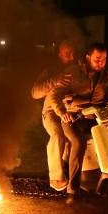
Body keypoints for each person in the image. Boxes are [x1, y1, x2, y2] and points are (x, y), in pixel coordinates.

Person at [49, 42, 108, 204]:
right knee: (78, 142)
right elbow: (55, 95)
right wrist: (63, 113)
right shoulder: (72, 73)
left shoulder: (106, 77)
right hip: (74, 118)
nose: (101, 63)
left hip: (96, 117)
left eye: (104, 59)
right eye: (97, 59)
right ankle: (72, 190)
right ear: (88, 58)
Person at [31, 40, 76, 191]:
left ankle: (68, 167)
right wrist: (54, 80)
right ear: (59, 55)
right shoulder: (51, 70)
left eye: (73, 53)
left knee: (74, 139)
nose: (71, 57)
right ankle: (56, 178)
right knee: (57, 135)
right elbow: (35, 93)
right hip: (51, 113)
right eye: (67, 54)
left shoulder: (78, 69)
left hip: (71, 111)